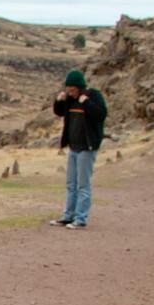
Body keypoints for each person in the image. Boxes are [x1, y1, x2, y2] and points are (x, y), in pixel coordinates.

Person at [50, 69, 108, 230]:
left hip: (86, 147)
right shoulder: (70, 100)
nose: (70, 92)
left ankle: (80, 218)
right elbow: (59, 112)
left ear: (79, 87)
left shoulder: (93, 96)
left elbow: (101, 115)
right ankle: (67, 216)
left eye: (72, 89)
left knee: (83, 185)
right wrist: (59, 101)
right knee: (71, 184)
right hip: (73, 147)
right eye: (68, 89)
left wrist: (86, 103)